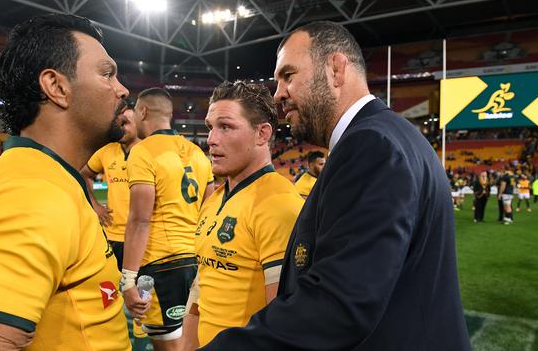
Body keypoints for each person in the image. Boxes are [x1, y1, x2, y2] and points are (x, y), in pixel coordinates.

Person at [201, 21, 470, 350]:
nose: (278, 93)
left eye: (288, 75)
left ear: (336, 70)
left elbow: (340, 303)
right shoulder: (389, 134)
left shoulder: (371, 145)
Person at [0, 14, 141, 350]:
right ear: (57, 87)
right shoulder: (30, 193)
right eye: (107, 73)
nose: (122, 89)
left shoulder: (49, 179)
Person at [182, 81, 303, 349]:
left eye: (225, 127)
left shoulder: (279, 204)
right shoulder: (213, 200)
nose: (211, 139)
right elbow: (201, 286)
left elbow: (280, 322)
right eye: (210, 127)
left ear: (262, 134)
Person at [122, 87, 214, 351]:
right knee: (193, 342)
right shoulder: (197, 152)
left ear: (143, 111)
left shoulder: (143, 151)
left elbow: (140, 220)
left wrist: (128, 279)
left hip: (161, 265)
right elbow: (207, 211)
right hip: (195, 263)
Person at [81, 102, 150, 349]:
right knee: (107, 290)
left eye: (127, 122)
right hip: (110, 237)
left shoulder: (150, 151)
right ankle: (109, 334)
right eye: (119, 122)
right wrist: (95, 205)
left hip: (141, 240)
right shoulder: (106, 151)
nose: (122, 126)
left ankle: (142, 340)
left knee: (141, 294)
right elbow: (84, 173)